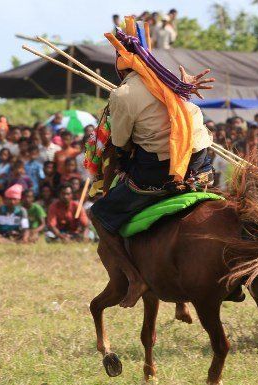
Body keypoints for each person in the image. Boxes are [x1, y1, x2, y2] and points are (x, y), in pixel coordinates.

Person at [90, 24, 216, 308]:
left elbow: (121, 141)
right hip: (200, 162)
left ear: (121, 71)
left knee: (98, 214)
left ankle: (135, 279)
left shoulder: (122, 94)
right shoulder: (169, 80)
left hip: (162, 170)